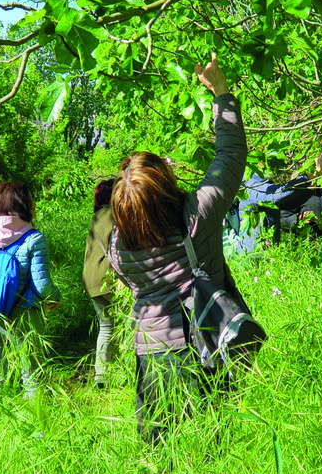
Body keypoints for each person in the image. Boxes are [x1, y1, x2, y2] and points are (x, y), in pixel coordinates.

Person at [105, 53, 249, 443]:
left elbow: (123, 279)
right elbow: (230, 155)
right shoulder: (197, 214)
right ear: (166, 183)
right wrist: (220, 91)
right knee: (215, 443)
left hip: (151, 351)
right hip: (205, 342)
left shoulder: (118, 244)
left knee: (159, 448)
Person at [0, 181, 61, 400]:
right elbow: (42, 284)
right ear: (23, 205)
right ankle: (35, 418)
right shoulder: (33, 239)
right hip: (24, 315)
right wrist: (55, 298)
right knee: (31, 372)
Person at [82, 179, 117, 388]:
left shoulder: (96, 216)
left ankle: (102, 375)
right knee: (115, 325)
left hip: (91, 277)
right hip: (108, 278)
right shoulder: (115, 214)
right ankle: (108, 374)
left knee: (106, 326)